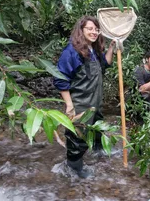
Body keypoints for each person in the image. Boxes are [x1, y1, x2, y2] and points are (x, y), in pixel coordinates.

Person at [54, 16, 116, 178]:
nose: (94, 32)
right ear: (81, 30)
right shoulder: (72, 52)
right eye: (90, 29)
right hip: (80, 103)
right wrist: (69, 105)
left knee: (97, 128)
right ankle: (74, 167)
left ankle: (98, 150)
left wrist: (112, 47)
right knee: (78, 136)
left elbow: (105, 64)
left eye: (96, 29)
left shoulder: (93, 51)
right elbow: (60, 78)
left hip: (95, 101)